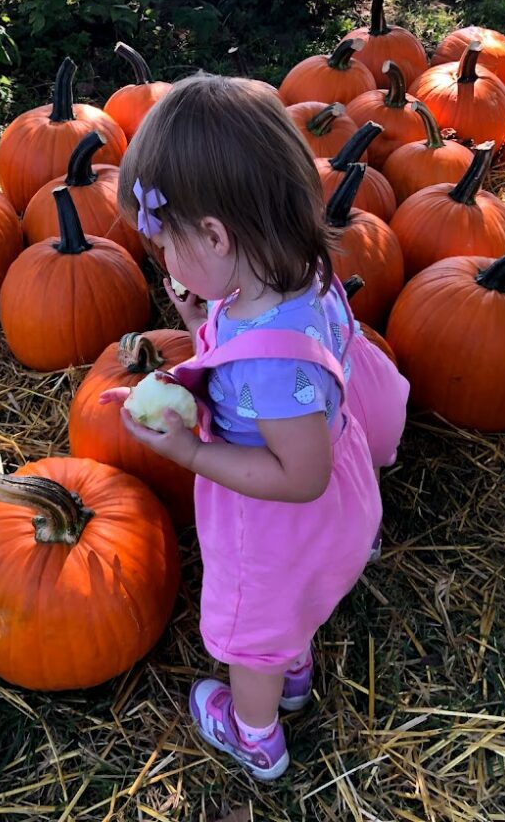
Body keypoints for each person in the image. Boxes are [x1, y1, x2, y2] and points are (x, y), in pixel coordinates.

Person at [99, 74, 408, 781]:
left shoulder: (270, 364)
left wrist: (191, 450)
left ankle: (255, 733)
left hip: (278, 517)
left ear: (215, 234)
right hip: (339, 505)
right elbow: (252, 349)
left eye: (166, 247)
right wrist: (197, 320)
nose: (164, 264)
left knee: (251, 633)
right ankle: (292, 669)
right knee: (286, 610)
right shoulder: (304, 274)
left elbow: (296, 475)